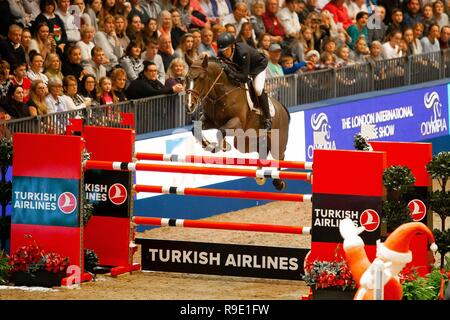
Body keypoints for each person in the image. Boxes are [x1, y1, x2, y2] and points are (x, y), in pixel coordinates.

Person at [216, 32, 272, 130]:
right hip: (241, 67)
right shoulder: (221, 52)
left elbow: (244, 78)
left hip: (257, 67)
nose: (224, 53)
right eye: (222, 51)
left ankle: (267, 118)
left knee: (258, 88)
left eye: (226, 50)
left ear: (233, 46)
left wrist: (229, 71)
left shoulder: (242, 53)